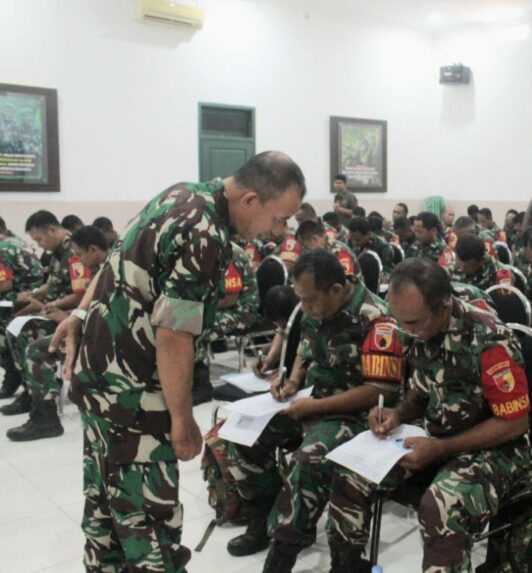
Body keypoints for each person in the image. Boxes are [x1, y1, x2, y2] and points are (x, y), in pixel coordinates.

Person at [50, 150, 307, 571]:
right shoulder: (206, 235)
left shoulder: (180, 193)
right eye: (279, 219)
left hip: (100, 384)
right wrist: (183, 420)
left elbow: (114, 260)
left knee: (105, 514)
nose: (278, 232)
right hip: (136, 398)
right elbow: (174, 337)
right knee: (151, 530)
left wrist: (80, 314)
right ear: (249, 201)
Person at [326, 258, 532, 572]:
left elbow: (515, 423)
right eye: (400, 321)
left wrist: (441, 448)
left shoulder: (490, 340)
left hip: (496, 447)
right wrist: (397, 413)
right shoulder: (415, 327)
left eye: (413, 323)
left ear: (444, 305)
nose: (406, 331)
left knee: (439, 505)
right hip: (437, 435)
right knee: (350, 474)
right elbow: (423, 389)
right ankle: (347, 566)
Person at [223, 250, 404, 571]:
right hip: (312, 401)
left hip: (357, 415)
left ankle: (284, 550)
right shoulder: (314, 305)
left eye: (309, 300)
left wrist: (316, 406)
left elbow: (380, 390)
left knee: (308, 461)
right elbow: (306, 351)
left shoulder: (375, 319)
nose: (304, 308)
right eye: (301, 300)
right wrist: (291, 380)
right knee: (244, 434)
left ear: (336, 290)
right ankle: (261, 518)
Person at [7, 226, 108, 441]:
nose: (77, 259)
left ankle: (45, 418)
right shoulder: (100, 270)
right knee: (25, 334)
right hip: (87, 327)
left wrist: (67, 318)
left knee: (36, 351)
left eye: (79, 254)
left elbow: (105, 316)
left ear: (92, 249)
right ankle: (34, 397)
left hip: (102, 338)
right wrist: (69, 316)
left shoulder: (109, 273)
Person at [0, 210, 90, 413]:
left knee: (26, 331)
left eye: (39, 239)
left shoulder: (73, 252)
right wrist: (35, 294)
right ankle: (30, 388)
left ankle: (40, 394)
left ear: (51, 230)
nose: (39, 245)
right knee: (13, 328)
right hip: (55, 309)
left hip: (71, 314)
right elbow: (53, 283)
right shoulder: (57, 253)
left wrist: (50, 305)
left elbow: (80, 294)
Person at [192, 239, 260, 404]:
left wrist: (198, 309)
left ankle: (200, 382)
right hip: (223, 308)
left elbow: (230, 298)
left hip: (242, 311)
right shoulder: (211, 250)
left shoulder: (228, 253)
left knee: (196, 326)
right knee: (185, 321)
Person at [0, 234, 44, 398]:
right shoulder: (14, 240)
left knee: (5, 334)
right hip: (32, 295)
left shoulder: (2, 249)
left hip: (24, 299)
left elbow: (4, 285)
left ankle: (15, 376)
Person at [295, 219, 363, 282]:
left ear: (314, 239)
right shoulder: (320, 253)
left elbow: (346, 282)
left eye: (305, 247)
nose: (305, 251)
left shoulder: (339, 251)